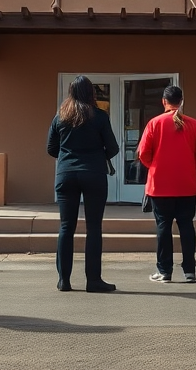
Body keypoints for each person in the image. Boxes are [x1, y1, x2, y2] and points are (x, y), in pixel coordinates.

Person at [47, 75, 119, 293]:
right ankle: (93, 280)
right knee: (94, 227)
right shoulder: (99, 116)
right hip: (94, 174)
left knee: (66, 227)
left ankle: (64, 280)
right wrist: (98, 154)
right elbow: (113, 148)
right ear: (91, 93)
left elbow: (51, 149)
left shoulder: (60, 117)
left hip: (66, 174)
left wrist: (68, 155)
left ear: (71, 92)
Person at [138, 85, 196, 284]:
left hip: (160, 186)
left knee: (163, 227)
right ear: (181, 101)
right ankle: (190, 271)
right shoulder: (193, 124)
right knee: (187, 227)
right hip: (186, 185)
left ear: (164, 102)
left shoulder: (154, 123)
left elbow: (143, 153)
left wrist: (156, 166)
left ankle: (165, 270)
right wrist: (187, 166)